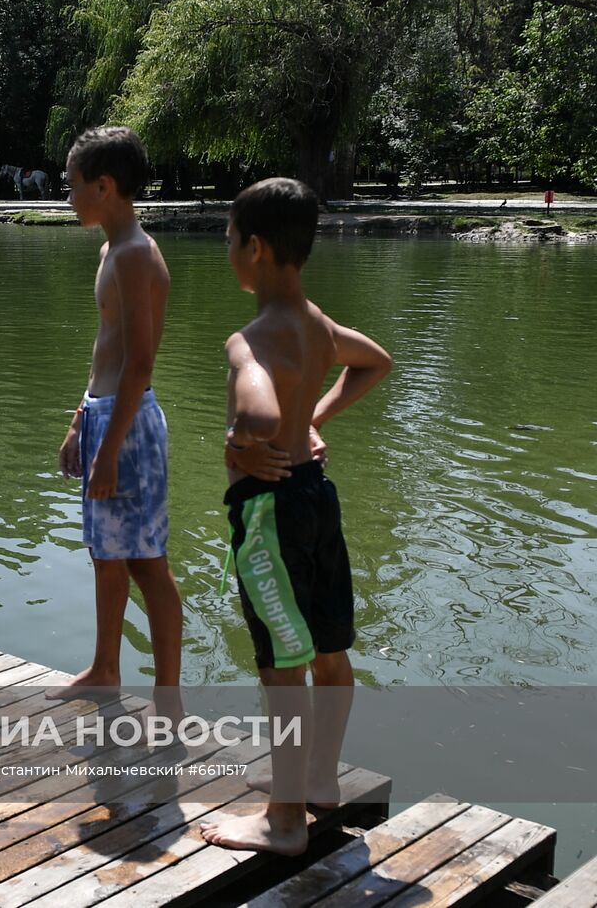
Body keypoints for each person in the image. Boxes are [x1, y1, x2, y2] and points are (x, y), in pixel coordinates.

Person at [200, 178, 392, 854]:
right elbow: (375, 363)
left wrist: (241, 439)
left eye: (229, 237)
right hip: (317, 496)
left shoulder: (248, 341)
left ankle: (284, 820)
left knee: (282, 668)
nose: (227, 248)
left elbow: (258, 411)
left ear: (253, 248)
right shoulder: (317, 323)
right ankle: (318, 779)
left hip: (269, 518)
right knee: (329, 651)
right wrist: (315, 417)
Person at [48, 127, 184, 724]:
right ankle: (106, 670)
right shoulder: (111, 250)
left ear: (103, 187)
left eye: (73, 185)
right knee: (106, 554)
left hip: (130, 426)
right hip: (104, 416)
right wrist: (80, 420)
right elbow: (105, 348)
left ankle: (169, 699)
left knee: (147, 563)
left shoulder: (134, 255)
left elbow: (140, 362)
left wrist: (109, 451)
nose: (68, 196)